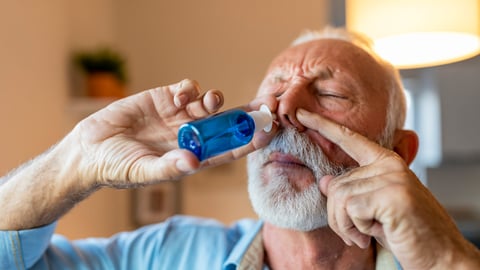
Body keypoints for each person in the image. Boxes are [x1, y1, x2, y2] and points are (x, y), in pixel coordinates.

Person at [1, 26, 479, 270]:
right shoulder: (166, 255)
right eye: (273, 92)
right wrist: (77, 159)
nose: (287, 107)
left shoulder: (446, 261)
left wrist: (447, 262)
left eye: (330, 95)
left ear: (398, 150)